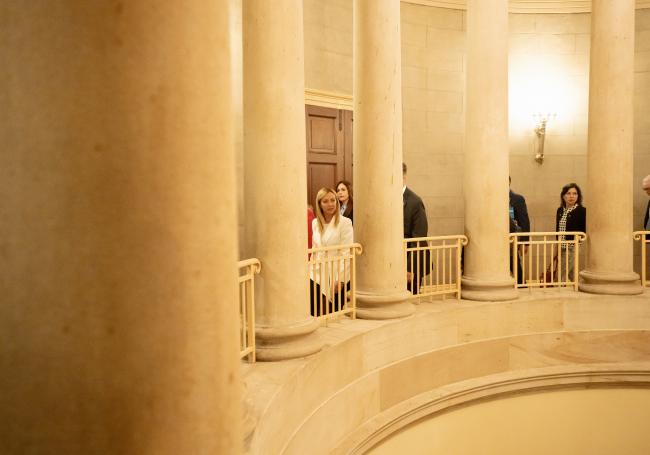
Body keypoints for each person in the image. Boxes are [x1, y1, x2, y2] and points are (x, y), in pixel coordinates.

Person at [310, 187, 354, 316]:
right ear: (319, 204)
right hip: (316, 272)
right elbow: (314, 248)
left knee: (333, 314)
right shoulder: (315, 223)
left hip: (337, 272)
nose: (330, 204)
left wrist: (339, 279)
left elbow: (346, 253)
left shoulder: (345, 223)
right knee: (312, 310)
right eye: (325, 201)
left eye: (332, 200)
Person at [403, 163, 428, 294]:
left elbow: (419, 236)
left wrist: (410, 267)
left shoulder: (415, 201)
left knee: (410, 300)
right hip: (393, 261)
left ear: (403, 176)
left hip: (410, 260)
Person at [555, 183, 586, 283]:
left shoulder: (582, 211)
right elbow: (558, 230)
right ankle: (580, 288)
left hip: (572, 246)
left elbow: (585, 230)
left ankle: (558, 290)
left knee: (561, 273)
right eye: (568, 193)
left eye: (575, 193)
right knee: (572, 273)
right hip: (561, 246)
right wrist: (557, 247)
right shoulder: (560, 210)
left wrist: (578, 241)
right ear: (563, 196)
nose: (571, 196)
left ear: (578, 196)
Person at [509, 177, 530, 284]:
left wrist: (525, 242)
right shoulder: (491, 199)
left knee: (514, 263)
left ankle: (522, 285)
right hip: (495, 240)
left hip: (512, 241)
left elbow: (524, 221)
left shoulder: (517, 199)